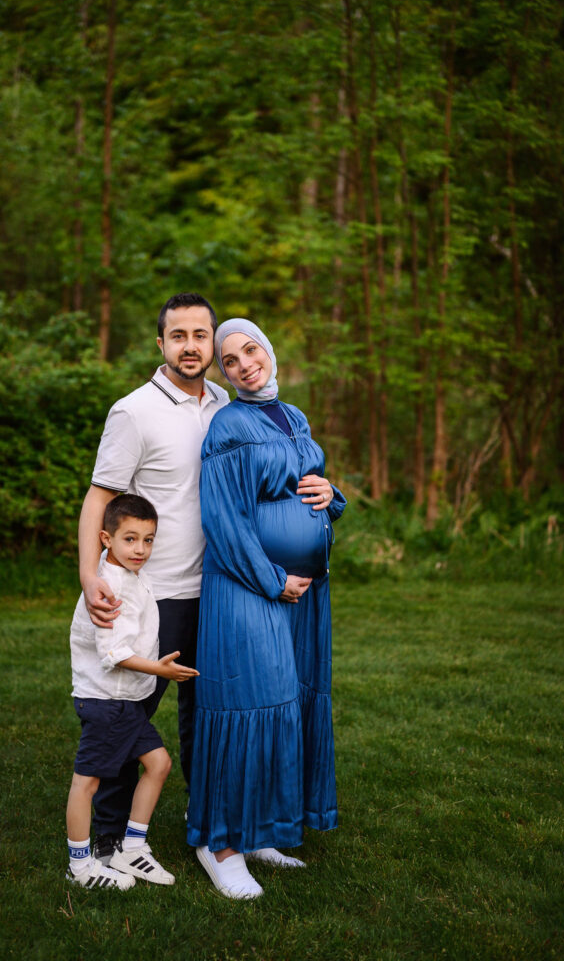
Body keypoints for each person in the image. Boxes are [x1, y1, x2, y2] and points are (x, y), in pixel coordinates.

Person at [187, 319, 346, 900]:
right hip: (248, 588)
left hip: (303, 595)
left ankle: (259, 834)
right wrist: (272, 580)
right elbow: (223, 519)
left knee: (286, 704)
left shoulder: (294, 416)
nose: (244, 363)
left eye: (250, 349)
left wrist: (333, 497)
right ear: (224, 374)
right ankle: (219, 844)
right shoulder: (229, 425)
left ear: (269, 351)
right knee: (247, 704)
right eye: (229, 360)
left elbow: (311, 488)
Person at [78, 293, 230, 862]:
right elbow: (101, 496)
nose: (191, 346)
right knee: (127, 716)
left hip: (213, 590)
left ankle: (205, 820)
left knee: (204, 717)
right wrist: (91, 575)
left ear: (213, 340)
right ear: (160, 343)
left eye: (200, 335)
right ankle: (109, 839)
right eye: (179, 336)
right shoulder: (134, 410)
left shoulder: (223, 404)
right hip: (150, 596)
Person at [67, 493, 199, 889]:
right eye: (130, 539)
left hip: (127, 702)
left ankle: (131, 847)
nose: (140, 549)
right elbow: (114, 652)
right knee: (86, 783)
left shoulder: (135, 577)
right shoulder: (108, 586)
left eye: (148, 539)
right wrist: (160, 670)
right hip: (106, 702)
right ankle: (80, 866)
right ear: (106, 538)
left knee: (158, 764)